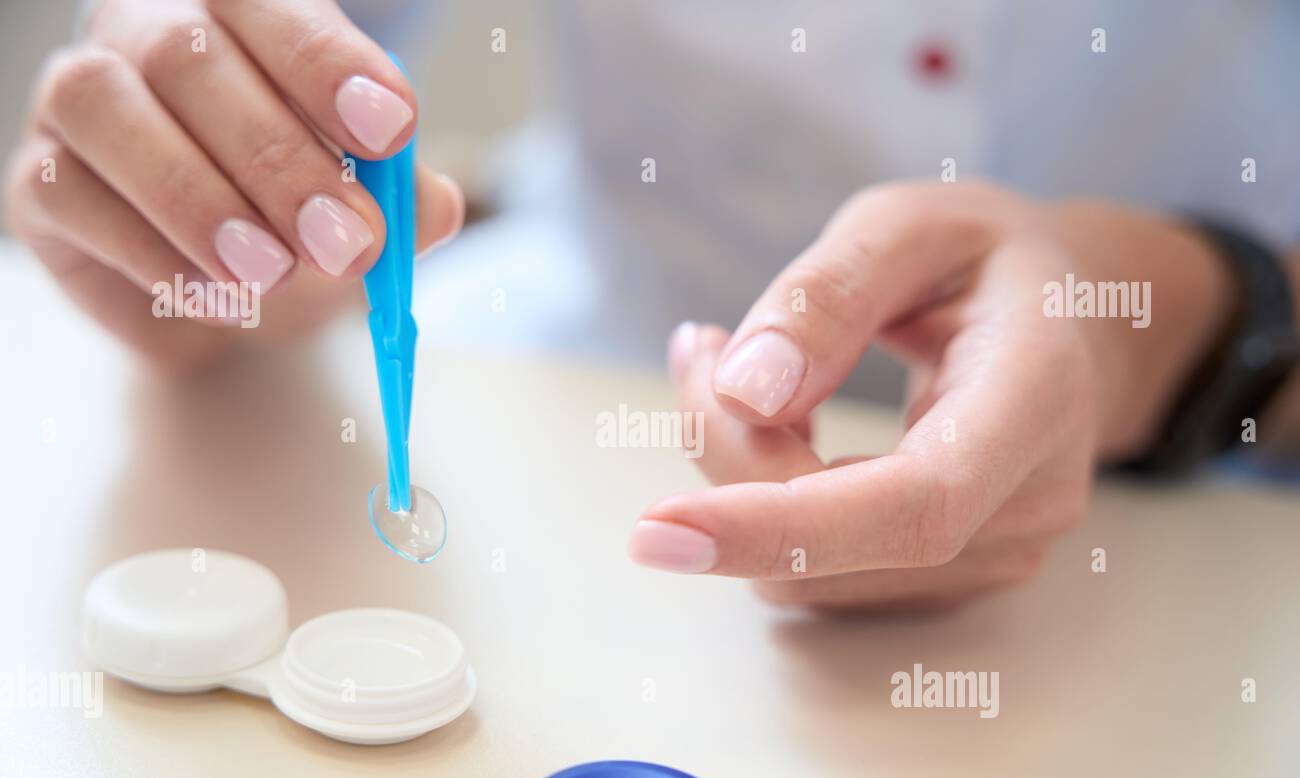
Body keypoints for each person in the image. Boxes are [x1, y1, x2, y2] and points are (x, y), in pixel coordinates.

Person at [6, 0, 1299, 610]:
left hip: (1226, 523)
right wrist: (194, 176)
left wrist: (1198, 328)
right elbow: (277, 52)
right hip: (566, 409)